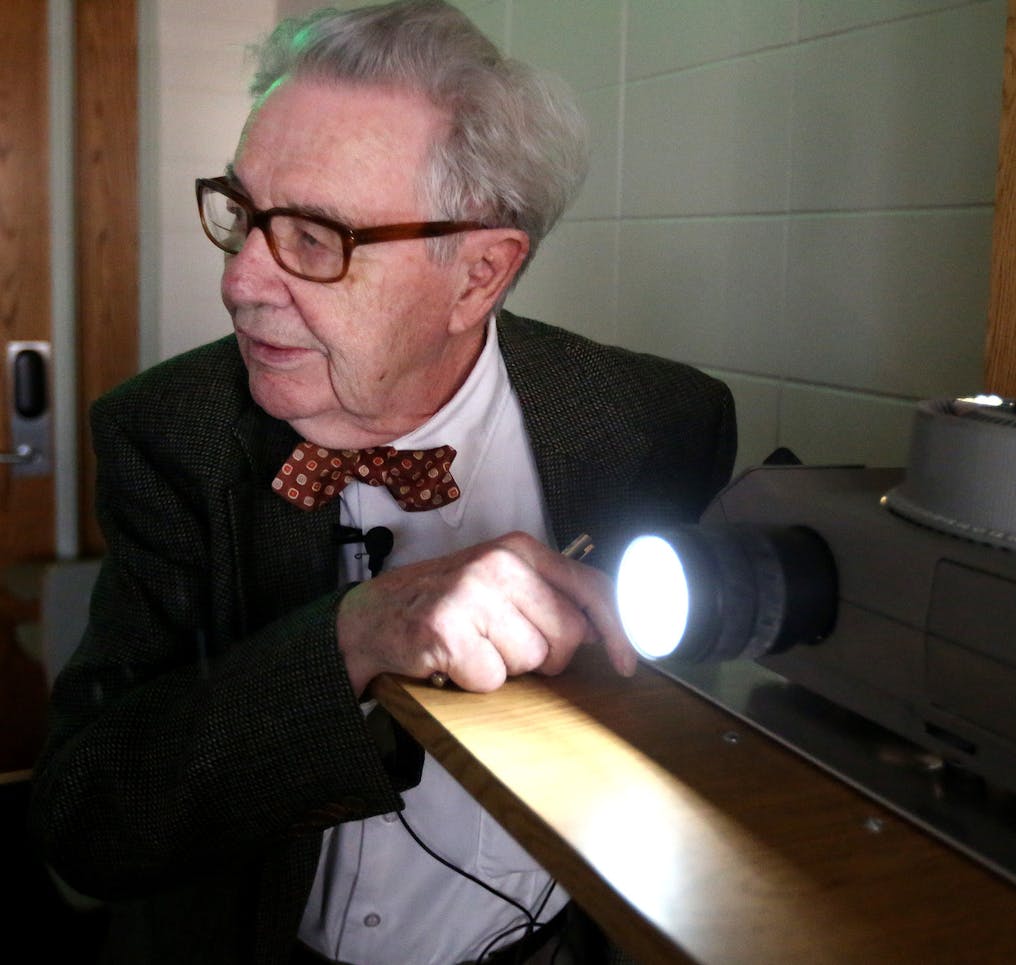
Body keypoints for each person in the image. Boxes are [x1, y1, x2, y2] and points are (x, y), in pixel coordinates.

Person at [28, 2, 735, 963]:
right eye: (242, 214)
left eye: (316, 238)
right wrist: (351, 637)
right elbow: (90, 819)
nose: (241, 281)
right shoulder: (173, 432)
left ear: (478, 276)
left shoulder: (656, 422)